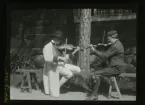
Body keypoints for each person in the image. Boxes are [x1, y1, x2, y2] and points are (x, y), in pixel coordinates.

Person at [87, 30, 126, 100]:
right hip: (115, 67)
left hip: (116, 69)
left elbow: (105, 56)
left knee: (96, 74)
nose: (108, 40)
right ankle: (94, 94)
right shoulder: (117, 43)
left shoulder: (115, 46)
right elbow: (108, 50)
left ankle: (94, 95)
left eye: (109, 39)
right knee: (97, 71)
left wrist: (94, 50)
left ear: (112, 37)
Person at [43, 30, 81, 98]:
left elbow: (66, 57)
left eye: (60, 39)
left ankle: (59, 85)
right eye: (58, 39)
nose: (60, 41)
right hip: (53, 66)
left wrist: (75, 51)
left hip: (61, 64)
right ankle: (57, 87)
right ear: (54, 38)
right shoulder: (47, 46)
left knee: (78, 70)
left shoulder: (58, 47)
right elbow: (47, 58)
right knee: (70, 74)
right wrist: (60, 58)